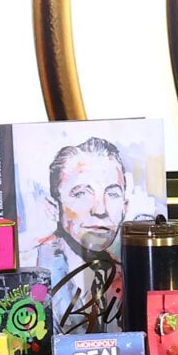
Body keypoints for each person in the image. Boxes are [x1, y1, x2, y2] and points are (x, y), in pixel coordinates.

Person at [34, 137, 132, 331]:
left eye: (112, 194)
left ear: (125, 207)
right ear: (53, 208)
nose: (100, 209)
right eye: (81, 193)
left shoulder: (127, 275)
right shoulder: (31, 273)